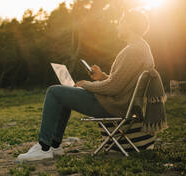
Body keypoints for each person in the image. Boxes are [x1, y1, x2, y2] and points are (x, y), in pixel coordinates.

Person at [16, 9, 155, 162]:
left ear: (128, 24)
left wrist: (86, 84)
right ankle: (54, 146)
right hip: (118, 102)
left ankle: (44, 148)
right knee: (63, 95)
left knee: (53, 92)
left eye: (120, 23)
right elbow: (122, 83)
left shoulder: (133, 51)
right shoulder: (140, 47)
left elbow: (113, 88)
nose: (118, 27)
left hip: (112, 105)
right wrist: (101, 77)